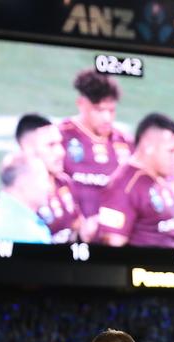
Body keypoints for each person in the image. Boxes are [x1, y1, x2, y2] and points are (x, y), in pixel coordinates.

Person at [59, 70, 133, 241]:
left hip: (114, 239)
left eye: (111, 110)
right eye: (99, 110)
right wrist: (77, 225)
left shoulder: (124, 143)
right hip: (71, 238)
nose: (107, 118)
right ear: (81, 104)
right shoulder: (60, 137)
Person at [97, 113, 174, 248]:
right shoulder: (123, 186)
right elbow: (113, 243)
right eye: (171, 151)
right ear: (148, 146)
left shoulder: (170, 178)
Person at [15, 114, 82, 244]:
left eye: (60, 143)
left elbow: (76, 228)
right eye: (51, 145)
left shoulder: (64, 183)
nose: (61, 152)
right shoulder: (18, 196)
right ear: (28, 149)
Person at [0, 153, 52, 244]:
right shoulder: (28, 234)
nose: (49, 187)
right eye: (44, 180)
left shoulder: (0, 213)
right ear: (24, 183)